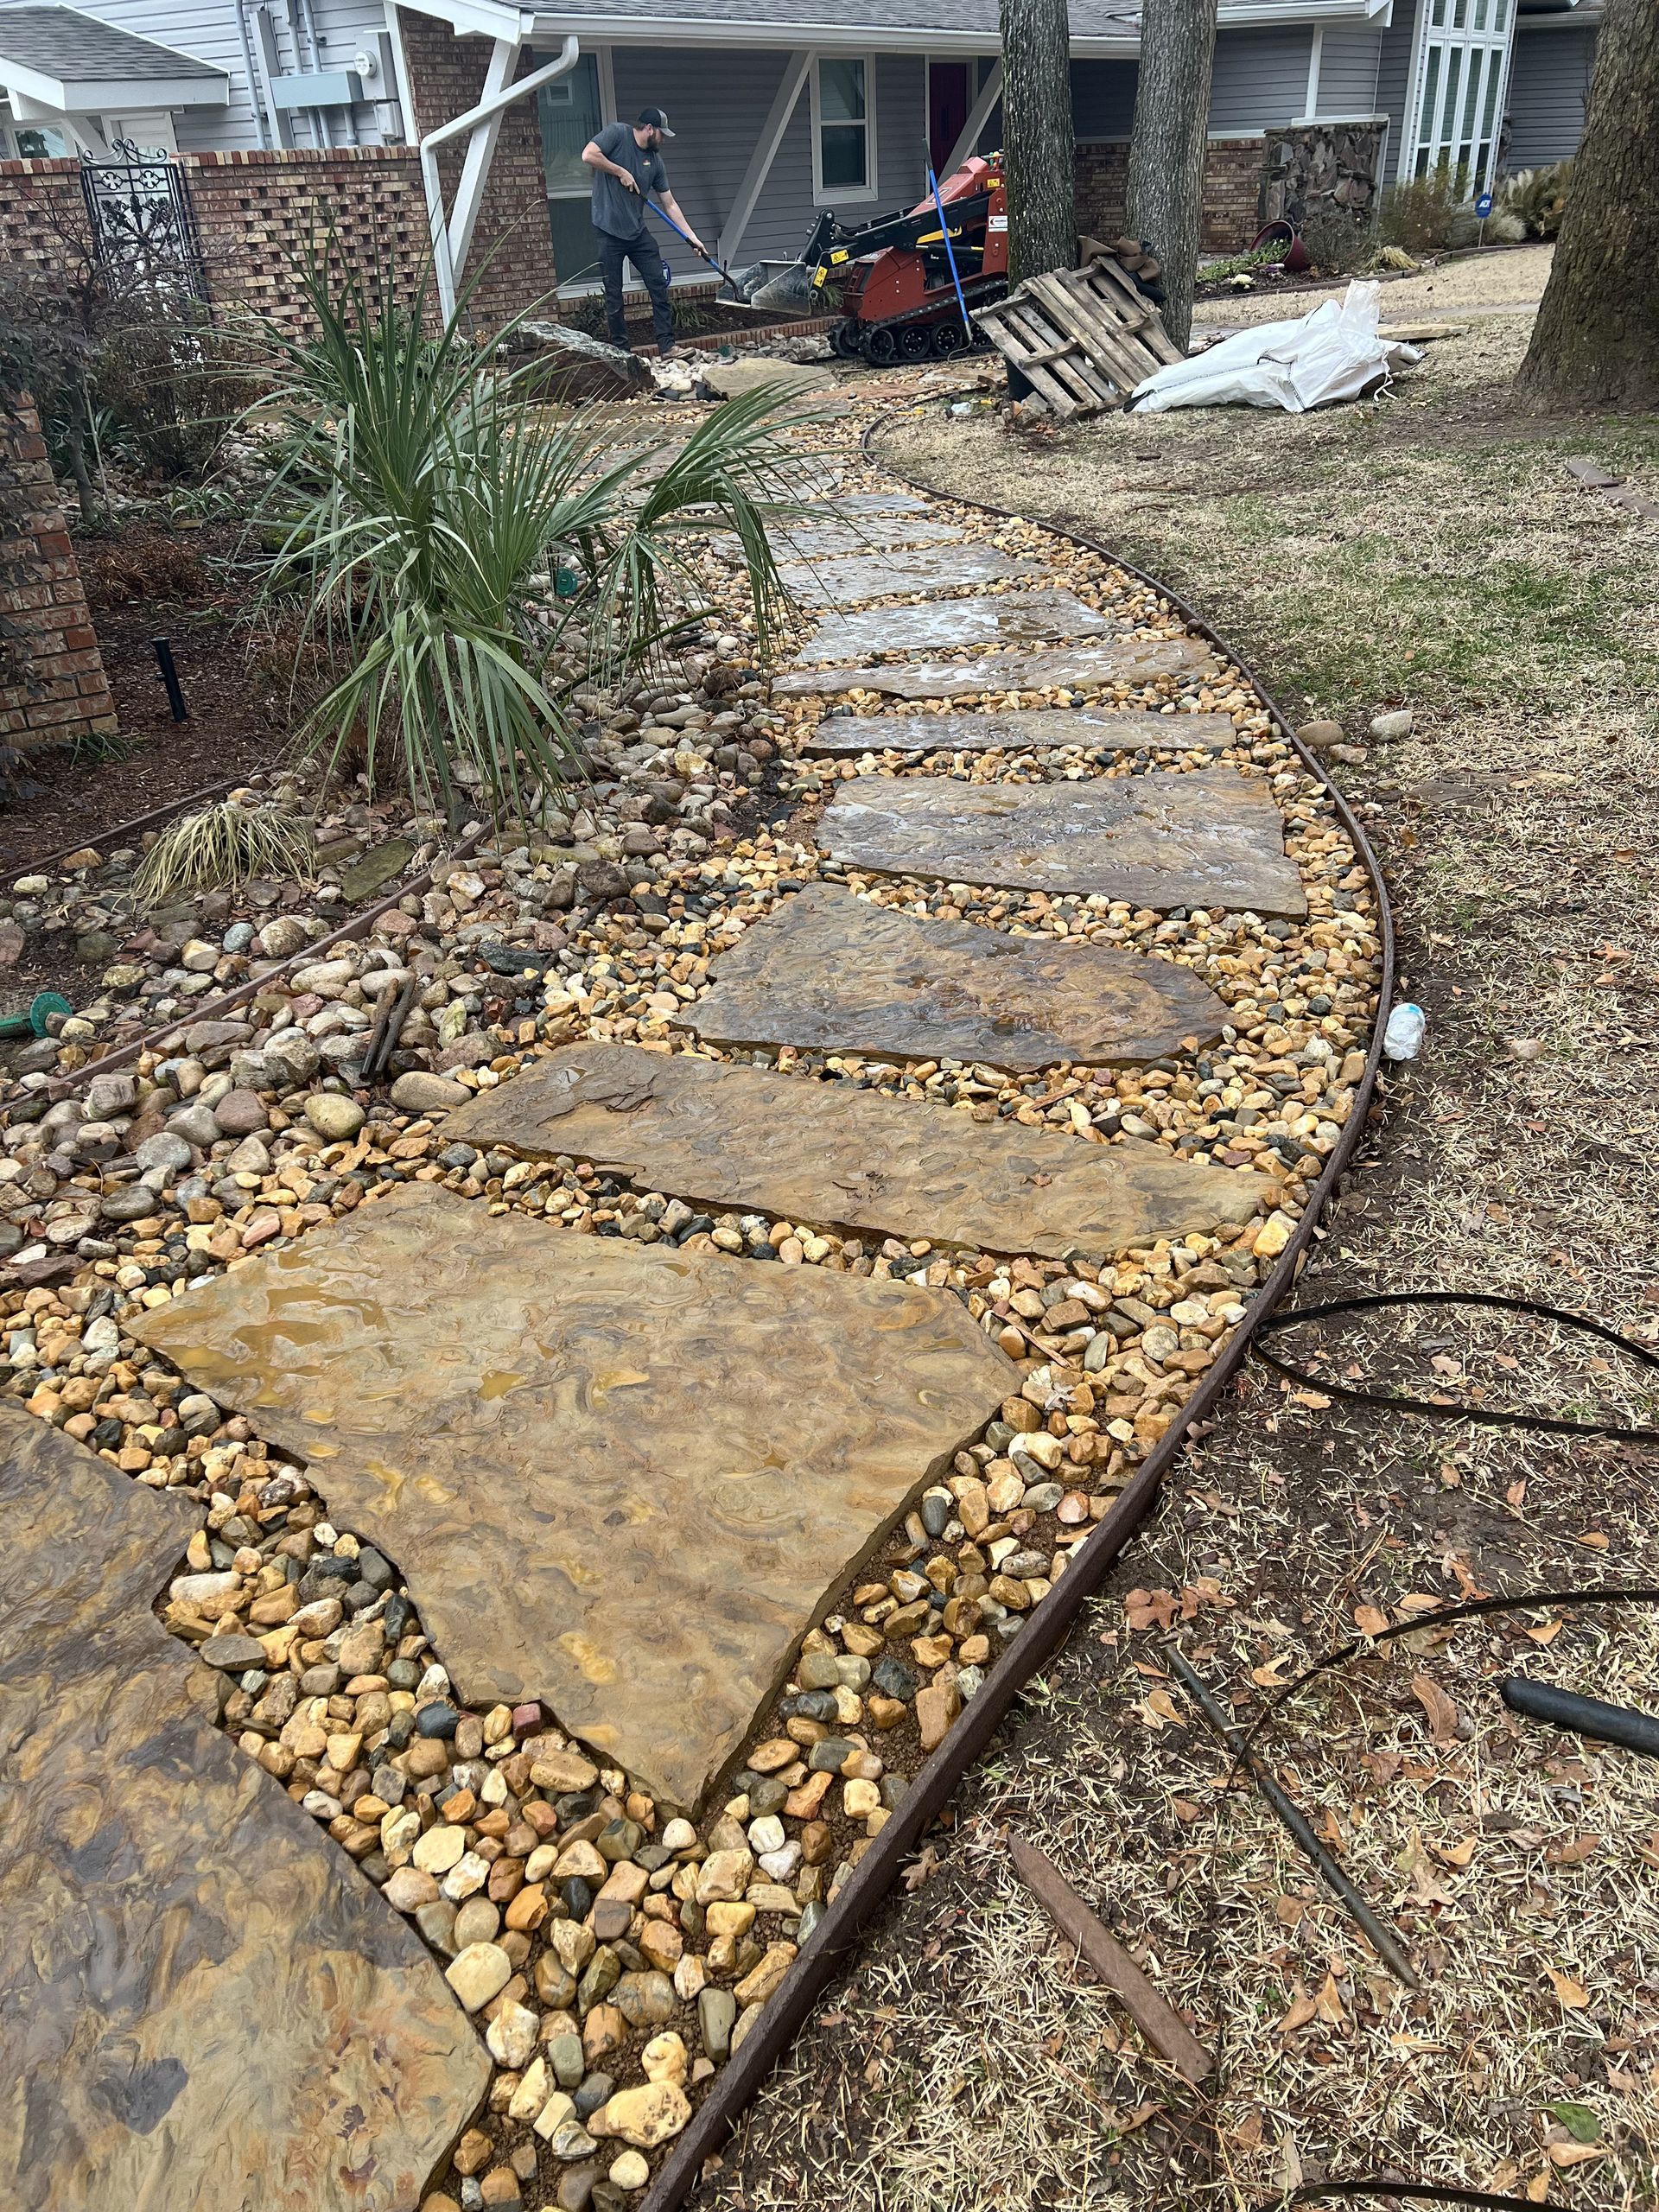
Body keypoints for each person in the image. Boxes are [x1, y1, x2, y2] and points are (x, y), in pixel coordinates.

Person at [582, 107, 705, 358]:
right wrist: (620, 171)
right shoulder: (617, 134)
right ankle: (622, 353)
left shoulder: (655, 162)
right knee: (614, 295)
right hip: (608, 231)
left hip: (637, 233)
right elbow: (588, 155)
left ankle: (667, 346)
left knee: (658, 283)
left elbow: (669, 203)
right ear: (649, 129)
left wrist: (692, 238)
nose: (663, 140)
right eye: (661, 134)